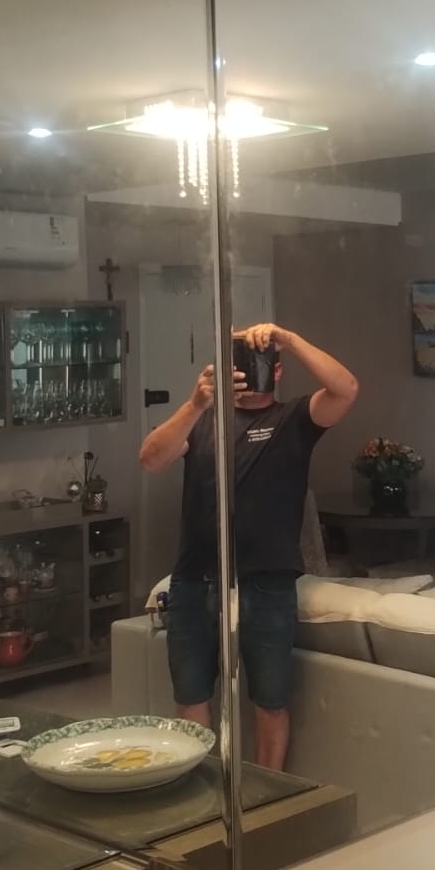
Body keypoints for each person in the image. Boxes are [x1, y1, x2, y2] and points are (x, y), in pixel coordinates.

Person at [139, 323, 358, 770]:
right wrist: (196, 402)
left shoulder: (294, 419)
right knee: (191, 696)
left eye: (256, 364)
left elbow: (346, 389)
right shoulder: (203, 420)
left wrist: (288, 339)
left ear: (276, 371)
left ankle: (266, 795)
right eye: (236, 365)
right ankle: (202, 791)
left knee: (270, 701)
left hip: (267, 582)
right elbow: (151, 458)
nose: (245, 374)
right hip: (195, 579)